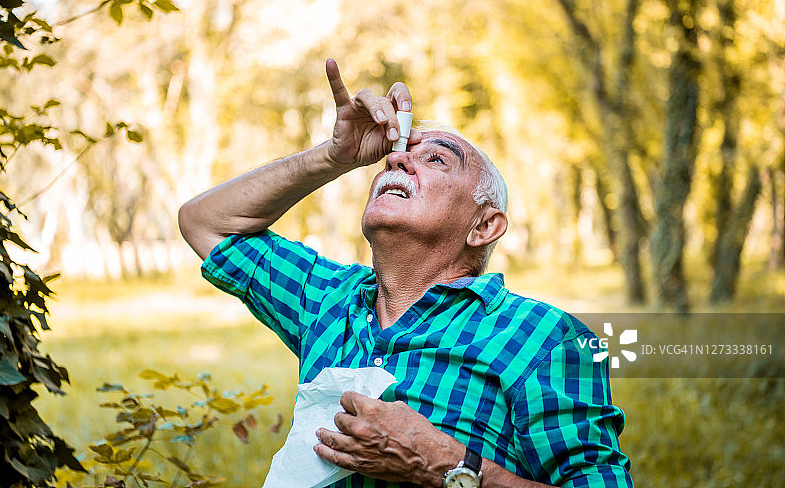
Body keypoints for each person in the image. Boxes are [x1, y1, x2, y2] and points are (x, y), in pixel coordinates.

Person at [178, 59, 633, 488]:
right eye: (397, 153)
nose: (396, 160)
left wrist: (444, 465)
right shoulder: (328, 299)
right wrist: (334, 157)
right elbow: (205, 223)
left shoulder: (544, 338)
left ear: (484, 225)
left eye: (437, 159)